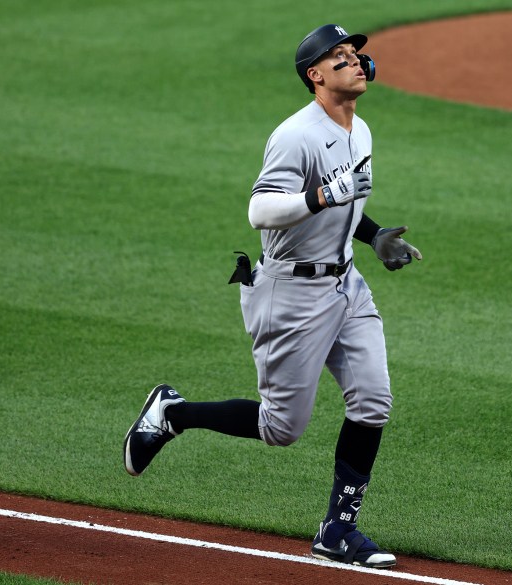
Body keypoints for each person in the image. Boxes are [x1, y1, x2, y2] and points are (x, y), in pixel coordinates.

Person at [122, 24, 422, 569]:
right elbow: (260, 210)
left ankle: (337, 530)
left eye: (357, 55)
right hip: (291, 293)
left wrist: (373, 235)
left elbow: (344, 201)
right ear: (315, 75)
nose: (355, 61)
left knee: (373, 401)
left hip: (346, 285)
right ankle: (172, 413)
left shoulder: (362, 130)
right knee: (281, 429)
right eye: (340, 57)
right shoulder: (295, 135)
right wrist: (322, 194)